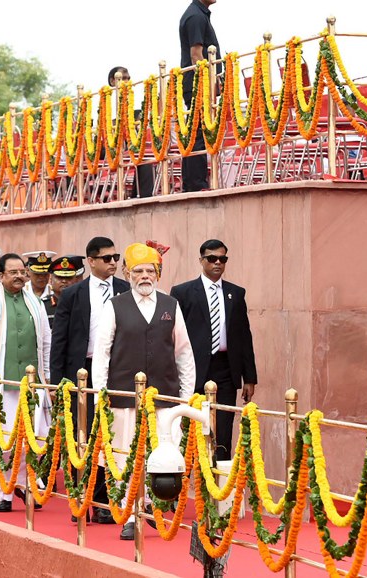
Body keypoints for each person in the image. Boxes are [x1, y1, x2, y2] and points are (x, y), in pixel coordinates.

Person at [92, 243, 196, 540]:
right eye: (138, 271)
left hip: (164, 398)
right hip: (123, 397)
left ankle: (149, 507)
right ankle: (127, 513)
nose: (144, 276)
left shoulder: (170, 306)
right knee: (125, 457)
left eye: (150, 270)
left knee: (160, 453)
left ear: (158, 273)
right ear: (127, 273)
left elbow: (184, 353)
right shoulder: (115, 306)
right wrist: (102, 394)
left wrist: (185, 398)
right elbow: (102, 353)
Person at [49, 237, 129, 524]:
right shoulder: (74, 294)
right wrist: (57, 383)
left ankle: (106, 501)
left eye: (115, 257)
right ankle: (79, 496)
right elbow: (59, 340)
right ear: (91, 261)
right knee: (81, 436)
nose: (112, 263)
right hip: (80, 372)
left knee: (109, 435)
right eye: (106, 258)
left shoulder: (125, 290)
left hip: (116, 371)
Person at [0, 253, 51, 513]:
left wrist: (47, 381)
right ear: (1, 276)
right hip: (0, 385)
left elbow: (46, 343)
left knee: (33, 441)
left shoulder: (36, 303)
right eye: (12, 272)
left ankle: (26, 485)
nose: (19, 276)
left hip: (32, 385)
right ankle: (5, 493)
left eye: (21, 272)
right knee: (1, 441)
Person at [170, 239, 257, 461]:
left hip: (226, 369)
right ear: (201, 261)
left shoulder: (235, 294)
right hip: (194, 368)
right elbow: (173, 335)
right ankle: (188, 477)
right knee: (191, 427)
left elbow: (243, 336)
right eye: (212, 258)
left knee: (224, 428)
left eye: (222, 259)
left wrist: (249, 377)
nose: (217, 263)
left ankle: (220, 482)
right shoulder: (183, 292)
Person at [179, 0, 222, 192]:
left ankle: (191, 183)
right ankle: (196, 184)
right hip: (199, 83)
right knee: (198, 133)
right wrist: (212, 82)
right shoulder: (196, 16)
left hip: (197, 83)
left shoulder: (197, 13)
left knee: (195, 132)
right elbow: (196, 55)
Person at [107, 66, 154, 198]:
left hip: (127, 141)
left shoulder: (129, 96)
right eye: (122, 78)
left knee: (144, 155)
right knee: (142, 155)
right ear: (112, 81)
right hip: (109, 146)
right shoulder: (107, 97)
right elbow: (110, 124)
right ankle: (143, 195)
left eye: (128, 78)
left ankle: (139, 194)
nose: (127, 81)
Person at [44, 255, 85, 328]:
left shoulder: (83, 303)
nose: (64, 281)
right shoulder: (42, 305)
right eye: (59, 277)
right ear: (50, 280)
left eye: (68, 278)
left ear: (75, 280)